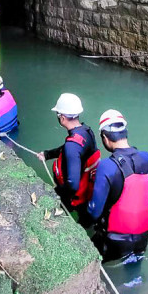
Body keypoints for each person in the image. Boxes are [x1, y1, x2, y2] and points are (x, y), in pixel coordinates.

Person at [87, 109, 148, 262]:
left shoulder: (106, 166)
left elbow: (94, 213)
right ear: (125, 132)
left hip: (113, 240)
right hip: (142, 237)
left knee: (98, 265)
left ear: (104, 137)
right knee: (134, 267)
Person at [36, 93, 100, 224]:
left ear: (62, 118)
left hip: (74, 196)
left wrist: (55, 192)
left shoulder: (72, 145)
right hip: (87, 186)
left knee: (67, 210)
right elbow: (70, 149)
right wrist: (47, 154)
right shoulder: (86, 131)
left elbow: (72, 184)